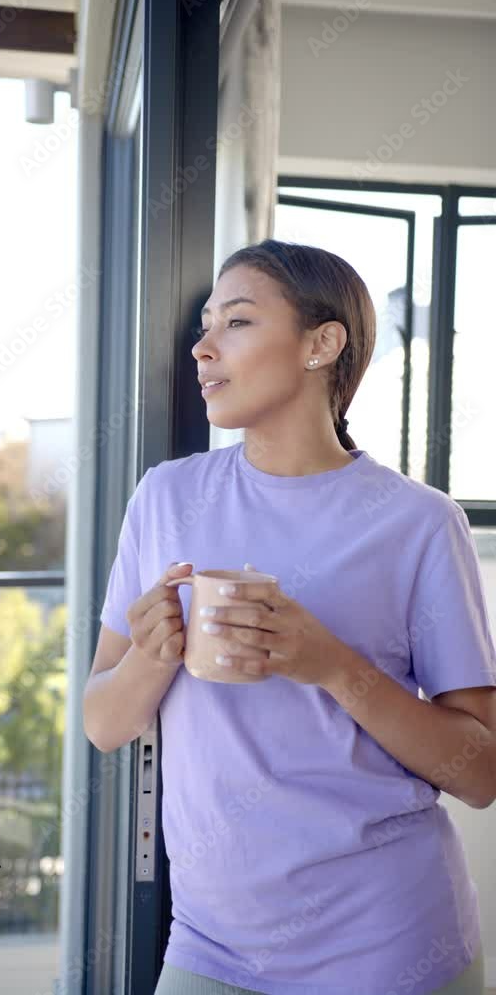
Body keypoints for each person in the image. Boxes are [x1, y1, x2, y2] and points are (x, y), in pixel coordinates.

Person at [88, 240, 495, 994]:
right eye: (205, 325)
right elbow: (102, 723)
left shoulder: (418, 523)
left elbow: (479, 773)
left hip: (392, 945)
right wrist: (151, 655)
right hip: (211, 946)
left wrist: (332, 665)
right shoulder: (165, 498)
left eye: (236, 322)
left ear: (322, 343)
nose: (202, 347)